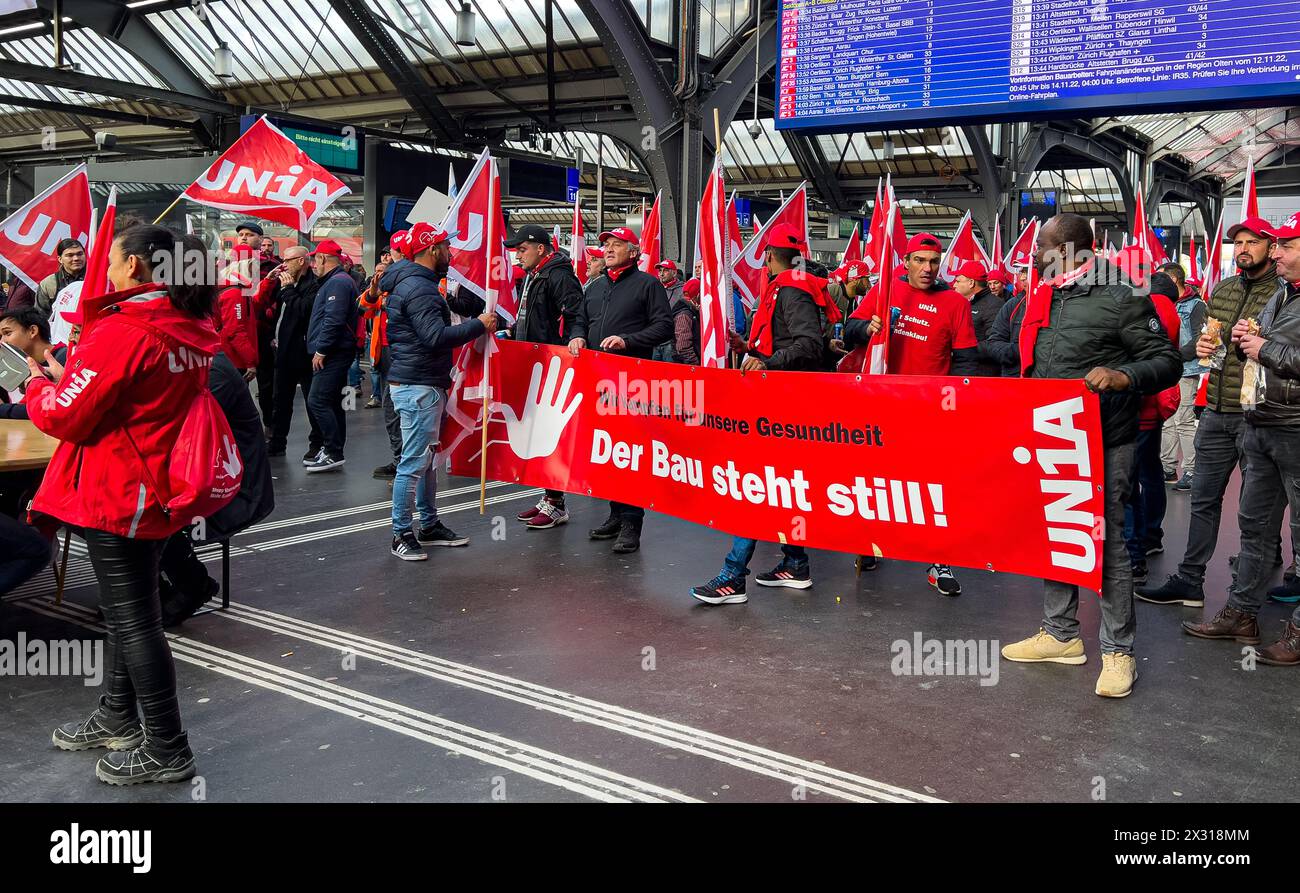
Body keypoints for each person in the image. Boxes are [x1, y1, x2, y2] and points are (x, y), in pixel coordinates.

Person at [23, 222, 223, 784]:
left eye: (110, 259)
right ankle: (118, 716)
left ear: (136, 266)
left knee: (135, 621)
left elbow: (64, 414)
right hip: (158, 486)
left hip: (118, 489)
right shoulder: (191, 323)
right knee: (129, 612)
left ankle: (167, 745)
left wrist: (37, 384)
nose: (102, 269)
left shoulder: (126, 330)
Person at [1001, 213, 1182, 698]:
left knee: (1108, 543)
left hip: (1105, 437)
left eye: (1041, 245)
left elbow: (1167, 361)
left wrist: (1124, 377)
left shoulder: (1123, 293)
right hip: (1052, 434)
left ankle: (1119, 652)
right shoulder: (1043, 294)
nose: (1033, 253)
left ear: (1067, 251)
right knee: (1058, 533)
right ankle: (1061, 635)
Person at [1137, 218, 1286, 608]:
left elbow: (1283, 350)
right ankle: (1190, 578)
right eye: (1238, 242)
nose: (1243, 249)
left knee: (1259, 506)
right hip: (1217, 407)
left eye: (1252, 242)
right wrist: (1200, 348)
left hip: (1260, 411)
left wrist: (1258, 343)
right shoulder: (1221, 290)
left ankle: (1256, 577)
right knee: (1203, 497)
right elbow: (1206, 344)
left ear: (1272, 248)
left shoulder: (1284, 294)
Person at [691, 224, 843, 604]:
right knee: (778, 489)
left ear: (768, 257)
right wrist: (752, 347)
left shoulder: (790, 290)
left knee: (759, 490)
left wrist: (767, 362)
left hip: (789, 405)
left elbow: (808, 347)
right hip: (787, 404)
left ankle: (732, 576)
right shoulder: (791, 287)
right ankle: (794, 563)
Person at [1181, 213, 1300, 664]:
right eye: (1279, 245)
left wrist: (1263, 347)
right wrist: (1234, 338)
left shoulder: (1278, 288)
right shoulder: (1278, 293)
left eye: (1284, 246)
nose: (1277, 253)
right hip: (1257, 418)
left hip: (1293, 424)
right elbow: (1239, 339)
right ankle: (1241, 611)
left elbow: (1273, 350)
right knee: (1251, 525)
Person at [842, 232, 979, 594]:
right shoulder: (886, 289)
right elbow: (850, 327)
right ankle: (869, 544)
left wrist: (960, 406)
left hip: (930, 410)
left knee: (934, 489)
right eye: (919, 260)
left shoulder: (955, 302)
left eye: (933, 262)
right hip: (882, 403)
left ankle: (939, 562)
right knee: (875, 481)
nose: (927, 268)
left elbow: (966, 361)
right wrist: (866, 326)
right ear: (906, 262)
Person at [381, 222, 496, 560]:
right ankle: (401, 533)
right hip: (419, 385)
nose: (450, 253)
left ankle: (428, 525)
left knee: (426, 461)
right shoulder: (420, 289)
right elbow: (435, 336)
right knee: (414, 463)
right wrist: (480, 325)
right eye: (445, 247)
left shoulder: (412, 283)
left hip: (420, 382)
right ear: (431, 250)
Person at [568, 226, 673, 554]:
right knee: (606, 452)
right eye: (607, 244)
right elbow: (580, 320)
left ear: (633, 250)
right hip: (596, 379)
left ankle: (632, 523)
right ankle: (615, 514)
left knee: (628, 453)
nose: (609, 249)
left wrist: (629, 341)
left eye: (617, 244)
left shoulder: (648, 285)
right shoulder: (595, 286)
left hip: (631, 381)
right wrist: (577, 335)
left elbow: (664, 326)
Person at [159, 348, 275, 626]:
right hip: (204, 476)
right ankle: (150, 592)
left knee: (143, 510)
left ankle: (190, 585)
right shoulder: (196, 365)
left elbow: (179, 429)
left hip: (231, 489)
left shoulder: (211, 373)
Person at [501, 224, 584, 530]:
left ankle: (557, 503)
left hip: (550, 365)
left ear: (540, 248)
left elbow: (576, 313)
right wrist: (512, 334)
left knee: (550, 435)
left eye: (522, 249)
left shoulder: (558, 275)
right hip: (534, 360)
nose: (517, 255)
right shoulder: (537, 275)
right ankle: (549, 497)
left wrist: (575, 338)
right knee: (537, 435)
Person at [1124, 272, 1182, 582]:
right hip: (1154, 403)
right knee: (1151, 471)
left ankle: (1135, 550)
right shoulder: (1168, 309)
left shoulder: (1147, 307)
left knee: (1130, 480)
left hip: (1138, 404)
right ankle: (1151, 535)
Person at [304, 239, 360, 472]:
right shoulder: (336, 281)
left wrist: (321, 349)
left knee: (317, 399)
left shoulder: (337, 283)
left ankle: (332, 450)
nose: (313, 265)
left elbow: (333, 320)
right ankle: (333, 450)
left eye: (315, 259)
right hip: (337, 350)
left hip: (333, 352)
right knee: (334, 402)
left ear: (323, 259)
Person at [265, 246, 322, 459]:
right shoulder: (285, 280)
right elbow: (273, 307)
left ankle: (316, 444)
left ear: (301, 261)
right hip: (283, 350)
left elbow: (303, 310)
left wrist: (288, 289)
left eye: (288, 260)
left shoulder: (313, 284)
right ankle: (277, 442)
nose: (284, 264)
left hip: (303, 352)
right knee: (280, 400)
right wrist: (272, 281)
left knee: (311, 401)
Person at [360, 231, 408, 478]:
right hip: (386, 349)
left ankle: (406, 463)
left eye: (394, 252)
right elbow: (363, 308)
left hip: (404, 351)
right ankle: (400, 459)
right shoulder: (383, 280)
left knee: (402, 408)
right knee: (392, 409)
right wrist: (375, 292)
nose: (391, 257)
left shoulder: (413, 278)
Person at [1159, 261, 1206, 489]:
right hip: (1165, 369)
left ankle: (1191, 471)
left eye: (1160, 277)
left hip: (1185, 370)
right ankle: (1167, 468)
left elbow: (1200, 337)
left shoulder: (1196, 305)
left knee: (1183, 421)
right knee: (1166, 420)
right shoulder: (1161, 303)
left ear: (1174, 279)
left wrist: (1176, 356)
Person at [951, 260, 1005, 378]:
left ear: (971, 283)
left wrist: (959, 350)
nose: (954, 285)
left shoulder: (994, 305)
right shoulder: (965, 303)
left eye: (958, 281)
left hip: (982, 376)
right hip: (966, 371)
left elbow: (994, 343)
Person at [212, 245, 260, 373]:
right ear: (246, 265)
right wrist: (249, 360)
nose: (255, 269)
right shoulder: (235, 292)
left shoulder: (235, 287)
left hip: (230, 356)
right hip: (234, 358)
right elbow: (235, 330)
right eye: (254, 265)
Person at [35, 238, 85, 318]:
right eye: (70, 255)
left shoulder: (97, 279)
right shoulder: (49, 284)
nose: (76, 258)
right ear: (60, 259)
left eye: (80, 254)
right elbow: (40, 317)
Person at [651, 260, 684, 362]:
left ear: (674, 273)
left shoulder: (683, 290)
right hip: (655, 340)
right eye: (660, 270)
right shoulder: (655, 288)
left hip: (671, 342)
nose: (661, 273)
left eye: (665, 270)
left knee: (670, 375)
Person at [672, 277, 701, 365]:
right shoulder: (684, 315)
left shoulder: (690, 311)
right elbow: (683, 346)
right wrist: (694, 364)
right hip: (688, 367)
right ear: (698, 295)